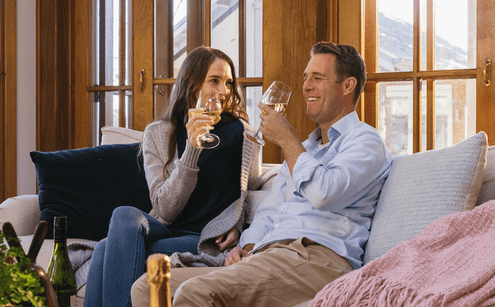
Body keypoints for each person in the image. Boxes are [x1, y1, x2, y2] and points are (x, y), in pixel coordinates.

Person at [130, 41, 393, 307]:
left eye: (318, 78)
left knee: (195, 293)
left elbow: (324, 193)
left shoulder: (364, 141)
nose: (306, 86)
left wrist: (288, 141)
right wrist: (247, 247)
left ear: (348, 86)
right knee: (146, 287)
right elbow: (272, 209)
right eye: (305, 78)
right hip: (270, 255)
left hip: (319, 258)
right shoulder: (308, 149)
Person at [83, 46, 263, 307]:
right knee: (124, 214)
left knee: (102, 251)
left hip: (202, 236)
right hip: (165, 226)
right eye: (214, 81)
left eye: (228, 83)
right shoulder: (157, 133)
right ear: (192, 84)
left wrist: (235, 225)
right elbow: (165, 207)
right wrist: (192, 149)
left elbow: (252, 192)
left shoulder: (242, 133)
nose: (224, 91)